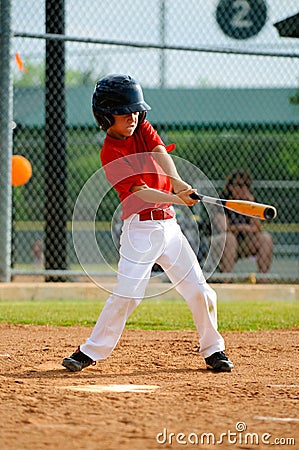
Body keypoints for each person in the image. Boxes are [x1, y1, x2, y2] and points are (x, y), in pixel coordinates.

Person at [62, 74, 233, 372]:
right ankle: (88, 351)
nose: (132, 116)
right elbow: (141, 192)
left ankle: (213, 349)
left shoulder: (141, 127)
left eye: (136, 110)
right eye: (124, 111)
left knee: (200, 290)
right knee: (128, 293)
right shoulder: (110, 152)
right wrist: (180, 197)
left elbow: (159, 152)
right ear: (105, 116)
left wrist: (177, 182)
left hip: (170, 228)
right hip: (139, 231)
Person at [213, 169, 273, 281]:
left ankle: (262, 280)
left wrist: (252, 203)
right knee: (230, 239)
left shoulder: (250, 203)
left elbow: (258, 228)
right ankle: (226, 280)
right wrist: (244, 228)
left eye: (247, 185)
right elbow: (224, 228)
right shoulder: (222, 201)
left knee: (266, 238)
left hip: (243, 241)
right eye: (240, 185)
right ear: (231, 187)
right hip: (220, 244)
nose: (244, 189)